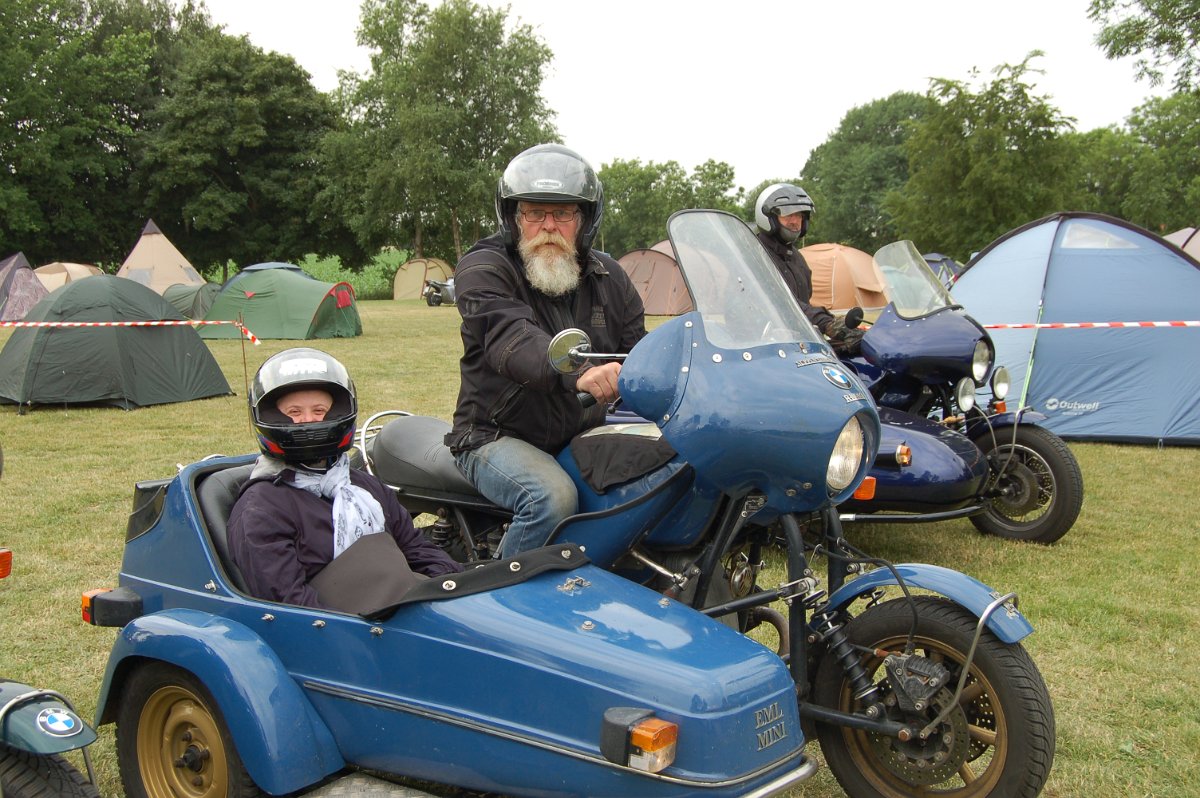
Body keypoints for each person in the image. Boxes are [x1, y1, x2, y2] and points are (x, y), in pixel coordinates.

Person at [445, 143, 646, 558]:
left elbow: (639, 351)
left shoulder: (609, 278)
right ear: (514, 218)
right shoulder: (484, 267)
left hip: (578, 432)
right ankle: (498, 606)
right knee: (550, 498)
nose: (548, 225)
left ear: (585, 220)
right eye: (534, 213)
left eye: (563, 213)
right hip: (493, 436)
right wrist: (577, 372)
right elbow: (511, 338)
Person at [228, 348, 461, 609]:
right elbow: (289, 605)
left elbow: (415, 549)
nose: (308, 421)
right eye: (294, 412)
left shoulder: (365, 487)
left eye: (319, 410)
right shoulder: (262, 509)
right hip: (348, 632)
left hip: (400, 611)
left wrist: (453, 590)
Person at [753, 182, 863, 355]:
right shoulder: (753, 254)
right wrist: (827, 323)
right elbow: (781, 303)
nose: (795, 221)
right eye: (788, 214)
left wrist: (832, 329)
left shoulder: (796, 258)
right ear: (768, 217)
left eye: (799, 215)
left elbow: (804, 304)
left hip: (796, 345)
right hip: (760, 349)